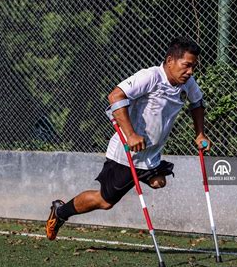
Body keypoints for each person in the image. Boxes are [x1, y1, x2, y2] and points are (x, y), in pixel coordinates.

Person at [46, 37, 211, 240]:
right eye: (186, 65)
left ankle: (147, 175)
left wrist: (200, 133)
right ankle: (60, 212)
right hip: (127, 154)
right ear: (170, 60)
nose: (190, 71)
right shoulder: (150, 77)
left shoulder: (187, 82)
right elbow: (115, 96)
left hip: (151, 155)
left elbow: (197, 103)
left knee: (159, 182)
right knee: (105, 202)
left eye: (193, 67)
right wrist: (131, 134)